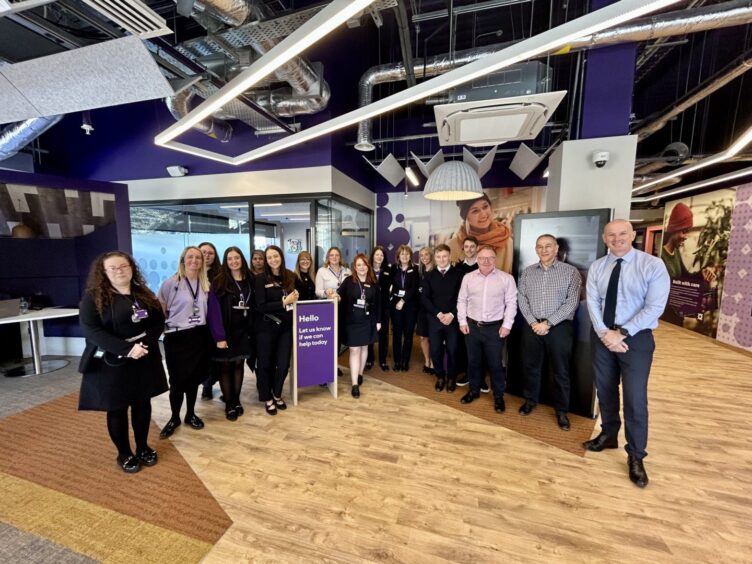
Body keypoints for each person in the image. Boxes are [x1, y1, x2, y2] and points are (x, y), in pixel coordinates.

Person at [584, 220, 670, 488]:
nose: (617, 238)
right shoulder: (598, 267)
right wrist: (603, 333)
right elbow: (593, 302)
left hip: (636, 339)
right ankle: (609, 434)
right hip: (602, 338)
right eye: (611, 234)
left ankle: (636, 455)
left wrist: (621, 333)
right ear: (604, 238)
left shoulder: (652, 266)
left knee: (635, 398)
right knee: (606, 390)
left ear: (633, 235)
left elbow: (654, 307)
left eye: (623, 233)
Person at [78, 251, 167, 474]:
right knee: (117, 408)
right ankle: (124, 453)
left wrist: (144, 344)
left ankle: (143, 447)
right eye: (113, 268)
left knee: (142, 404)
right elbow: (92, 330)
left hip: (143, 357)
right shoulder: (94, 297)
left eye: (124, 266)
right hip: (112, 361)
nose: (119, 271)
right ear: (104, 272)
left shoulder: (142, 293)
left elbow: (158, 322)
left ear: (131, 268)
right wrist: (127, 349)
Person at [517, 234, 582, 431]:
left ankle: (562, 411)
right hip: (532, 326)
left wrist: (548, 323)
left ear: (556, 249)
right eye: (540, 246)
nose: (544, 250)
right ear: (536, 249)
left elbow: (572, 302)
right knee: (531, 367)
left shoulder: (571, 272)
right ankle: (530, 401)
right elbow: (522, 299)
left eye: (548, 246)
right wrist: (532, 322)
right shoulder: (528, 272)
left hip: (559, 328)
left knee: (561, 372)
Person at [157, 246, 212, 439]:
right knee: (177, 381)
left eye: (198, 258)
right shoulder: (171, 283)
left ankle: (190, 414)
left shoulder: (205, 284)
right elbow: (161, 311)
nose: (194, 260)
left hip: (199, 336)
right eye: (190, 257)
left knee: (194, 379)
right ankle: (174, 418)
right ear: (183, 260)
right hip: (177, 337)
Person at [457, 245, 517, 413]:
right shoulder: (468, 278)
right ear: (477, 259)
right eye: (482, 258)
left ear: (495, 259)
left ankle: (498, 396)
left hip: (495, 329)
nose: (486, 261)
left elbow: (512, 303)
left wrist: (507, 325)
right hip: (472, 327)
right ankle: (474, 391)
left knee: (495, 364)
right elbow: (462, 300)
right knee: (474, 361)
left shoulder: (506, 279)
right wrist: (462, 321)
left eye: (490, 258)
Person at [207, 247, 254, 421]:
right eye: (229, 259)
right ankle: (229, 403)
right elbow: (213, 312)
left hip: (244, 331)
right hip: (225, 332)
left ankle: (236, 399)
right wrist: (219, 337)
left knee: (238, 365)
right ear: (226, 262)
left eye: (237, 258)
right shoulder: (219, 281)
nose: (234, 261)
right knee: (225, 367)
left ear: (242, 259)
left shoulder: (250, 279)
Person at [255, 245, 299, 415]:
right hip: (266, 328)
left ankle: (277, 393)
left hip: (285, 328)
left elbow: (294, 296)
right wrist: (284, 302)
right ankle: (267, 398)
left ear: (281, 256)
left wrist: (294, 297)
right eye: (269, 257)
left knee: (283, 365)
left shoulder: (289, 275)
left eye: (276, 256)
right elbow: (260, 306)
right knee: (266, 365)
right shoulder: (261, 279)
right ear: (266, 261)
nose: (273, 259)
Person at [421, 244, 464, 393]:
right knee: (436, 350)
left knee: (453, 350)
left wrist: (451, 314)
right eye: (438, 257)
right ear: (435, 258)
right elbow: (425, 299)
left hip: (452, 320)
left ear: (449, 256)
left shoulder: (459, 275)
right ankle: (440, 377)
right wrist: (438, 314)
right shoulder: (429, 276)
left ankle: (451, 377)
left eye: (444, 256)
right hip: (435, 319)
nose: (441, 259)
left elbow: (462, 298)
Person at [338, 254, 382, 398]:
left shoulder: (373, 282)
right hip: (351, 322)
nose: (361, 267)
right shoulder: (348, 281)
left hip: (368, 321)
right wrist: (333, 294)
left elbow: (378, 304)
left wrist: (378, 321)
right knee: (354, 349)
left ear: (367, 266)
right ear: (354, 268)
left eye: (364, 264)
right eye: (358, 265)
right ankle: (355, 384)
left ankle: (360, 372)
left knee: (364, 347)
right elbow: (339, 295)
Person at [447, 194, 513, 273]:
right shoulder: (453, 246)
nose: (483, 214)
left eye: (485, 207)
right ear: (466, 217)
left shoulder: (506, 240)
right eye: (475, 211)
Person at [390, 244, 420, 371]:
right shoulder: (393, 269)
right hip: (396, 305)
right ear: (398, 256)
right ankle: (397, 361)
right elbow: (390, 285)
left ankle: (405, 361)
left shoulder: (415, 269)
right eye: (402, 254)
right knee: (397, 334)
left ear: (410, 256)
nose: (405, 256)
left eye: (407, 254)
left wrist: (403, 300)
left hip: (410, 305)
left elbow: (414, 289)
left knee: (408, 334)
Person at [199, 241, 221, 400]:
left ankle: (213, 381)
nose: (207, 255)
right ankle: (207, 385)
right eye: (204, 252)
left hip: (217, 322)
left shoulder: (220, 275)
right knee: (203, 358)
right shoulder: (189, 274)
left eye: (210, 253)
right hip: (197, 324)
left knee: (217, 357)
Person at [366, 246, 392, 371]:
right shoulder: (367, 269)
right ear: (373, 256)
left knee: (384, 333)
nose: (379, 257)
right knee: (370, 332)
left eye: (382, 255)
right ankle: (369, 359)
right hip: (370, 306)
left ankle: (382, 360)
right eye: (377, 254)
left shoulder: (388, 270)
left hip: (385, 306)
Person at [416, 246, 435, 375]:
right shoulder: (420, 272)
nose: (424, 257)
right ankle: (427, 360)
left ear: (431, 255)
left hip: (433, 310)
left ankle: (434, 361)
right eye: (421, 255)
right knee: (423, 337)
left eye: (426, 254)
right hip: (422, 309)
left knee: (434, 337)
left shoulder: (436, 271)